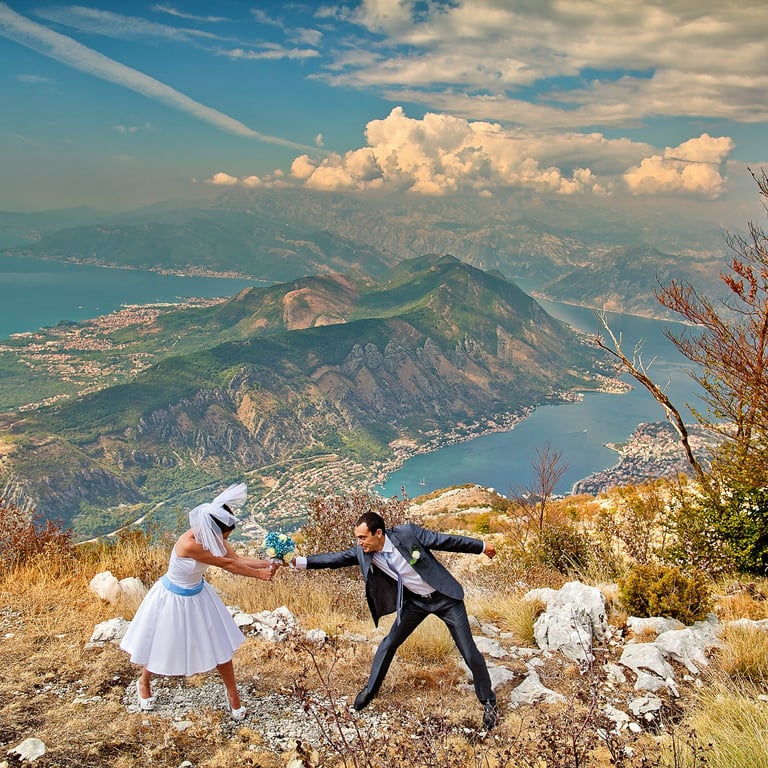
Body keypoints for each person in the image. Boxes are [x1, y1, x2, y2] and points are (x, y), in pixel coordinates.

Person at [291, 511, 499, 730]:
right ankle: (370, 690)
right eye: (357, 538)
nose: (359, 542)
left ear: (378, 533)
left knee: (469, 651)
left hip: (446, 598)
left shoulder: (408, 534)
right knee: (389, 643)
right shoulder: (364, 552)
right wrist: (298, 562)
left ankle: (488, 702)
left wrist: (482, 546)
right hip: (416, 603)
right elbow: (334, 559)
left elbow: (445, 541)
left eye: (363, 537)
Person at [120, 483, 277, 720]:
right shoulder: (189, 544)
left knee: (220, 646)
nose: (226, 540)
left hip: (198, 595)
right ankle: (143, 682)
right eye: (224, 536)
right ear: (213, 530)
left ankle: (233, 695)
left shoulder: (212, 534)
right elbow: (227, 564)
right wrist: (259, 575)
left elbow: (236, 557)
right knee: (161, 645)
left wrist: (267, 564)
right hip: (173, 598)